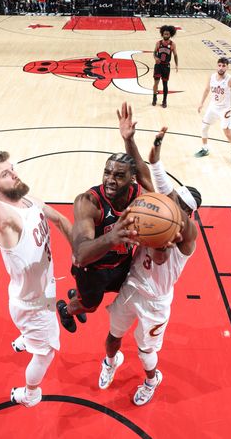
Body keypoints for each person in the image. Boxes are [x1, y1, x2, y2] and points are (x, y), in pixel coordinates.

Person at [0, 94, 73, 408]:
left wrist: (79, 250)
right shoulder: (6, 220)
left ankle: (25, 336)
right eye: (6, 174)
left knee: (32, 330)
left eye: (13, 169)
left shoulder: (27, 199)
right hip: (36, 305)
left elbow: (59, 218)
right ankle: (31, 393)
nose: (15, 175)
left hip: (35, 290)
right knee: (45, 352)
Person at [98, 125, 201, 406]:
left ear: (188, 212)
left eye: (175, 202)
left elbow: (163, 253)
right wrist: (130, 141)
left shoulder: (188, 236)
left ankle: (151, 379)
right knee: (112, 336)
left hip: (156, 302)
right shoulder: (164, 209)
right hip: (132, 287)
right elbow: (146, 172)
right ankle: (110, 362)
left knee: (146, 352)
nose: (167, 201)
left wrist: (156, 166)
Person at [56, 103, 154, 332]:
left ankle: (77, 295)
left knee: (128, 294)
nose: (110, 179)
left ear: (132, 179)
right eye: (107, 172)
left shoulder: (140, 192)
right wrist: (113, 238)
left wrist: (129, 141)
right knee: (89, 306)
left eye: (119, 175)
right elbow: (81, 255)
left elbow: (143, 172)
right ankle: (65, 309)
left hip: (122, 264)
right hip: (93, 269)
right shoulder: (88, 202)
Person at [195, 57, 231, 163]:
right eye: (219, 65)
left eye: (223, 66)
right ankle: (205, 149)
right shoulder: (212, 77)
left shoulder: (230, 79)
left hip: (224, 110)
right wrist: (201, 103)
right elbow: (206, 90)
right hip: (213, 107)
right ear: (217, 66)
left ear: (227, 67)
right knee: (204, 127)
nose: (221, 68)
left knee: (227, 132)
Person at [152, 25, 179, 108]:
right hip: (158, 65)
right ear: (162, 34)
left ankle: (164, 100)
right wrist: (156, 58)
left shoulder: (172, 44)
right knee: (156, 83)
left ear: (170, 35)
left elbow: (175, 55)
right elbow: (154, 53)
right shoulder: (158, 43)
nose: (166, 35)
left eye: (167, 34)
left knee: (165, 84)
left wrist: (176, 65)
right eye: (164, 34)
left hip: (166, 66)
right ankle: (154, 97)